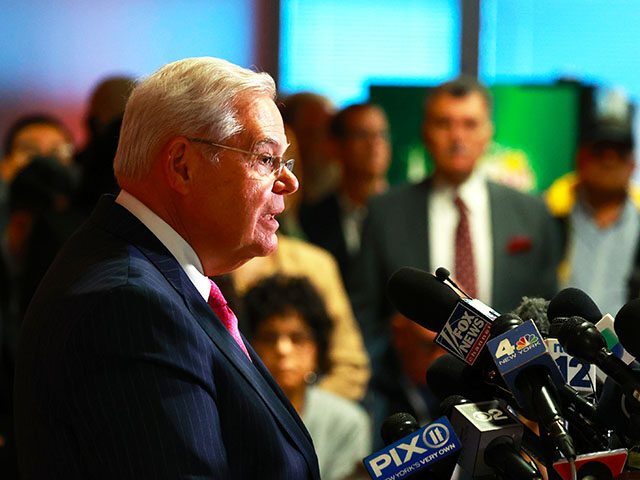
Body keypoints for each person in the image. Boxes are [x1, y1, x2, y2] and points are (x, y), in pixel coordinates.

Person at [14, 57, 320, 479]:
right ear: (182, 165)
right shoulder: (127, 302)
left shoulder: (154, 276)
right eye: (266, 159)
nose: (289, 182)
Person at [352, 76, 562, 375]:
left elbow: (547, 312)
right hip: (411, 386)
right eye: (444, 123)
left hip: (511, 383)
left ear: (488, 132)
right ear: (425, 131)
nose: (457, 137)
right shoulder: (385, 211)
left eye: (469, 124)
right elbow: (363, 318)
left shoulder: (531, 211)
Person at [244, 274, 371, 480]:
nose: (283, 349)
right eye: (269, 338)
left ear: (318, 349)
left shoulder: (347, 422)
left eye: (297, 338)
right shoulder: (232, 410)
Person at [546, 87, 640, 315]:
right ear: (581, 158)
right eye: (600, 150)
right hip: (554, 345)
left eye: (620, 151)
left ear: (632, 164)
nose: (609, 160)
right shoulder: (547, 215)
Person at [300, 103, 391, 291]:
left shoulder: (408, 213)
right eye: (362, 135)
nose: (374, 144)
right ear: (335, 147)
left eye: (381, 135)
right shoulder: (310, 218)